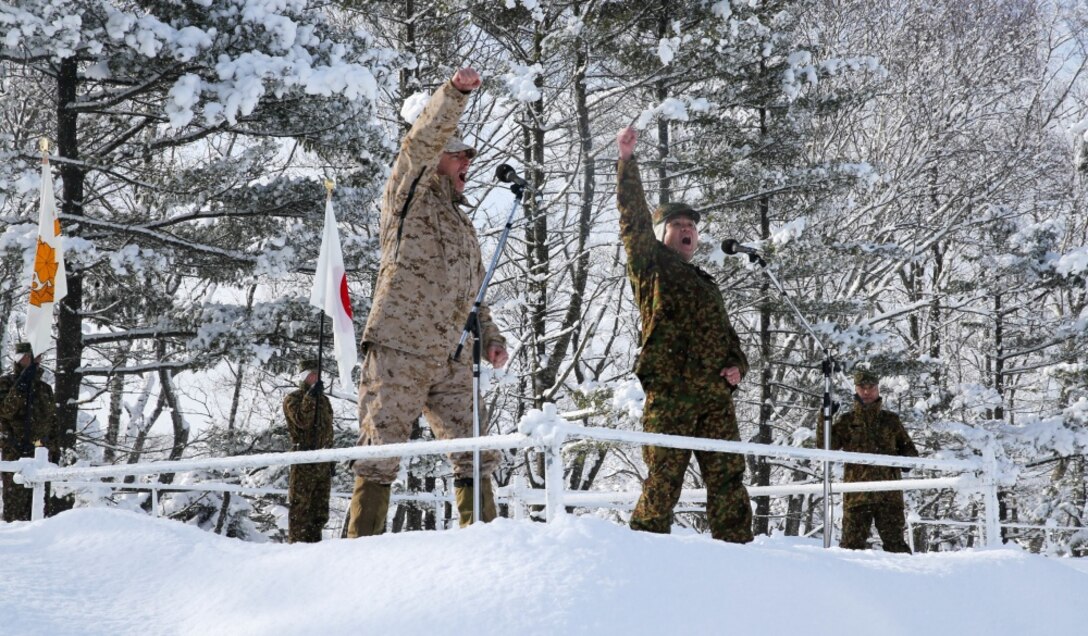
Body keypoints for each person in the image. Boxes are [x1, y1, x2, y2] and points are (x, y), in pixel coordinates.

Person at [347, 67, 509, 537]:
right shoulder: (409, 194)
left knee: (475, 449)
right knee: (381, 450)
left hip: (453, 355)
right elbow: (417, 144)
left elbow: (473, 297)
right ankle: (359, 552)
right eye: (459, 154)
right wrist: (455, 94)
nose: (467, 163)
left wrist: (490, 340)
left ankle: (486, 543)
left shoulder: (464, 226)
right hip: (400, 347)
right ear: (438, 155)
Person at [615, 127, 754, 543]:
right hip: (672, 391)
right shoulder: (651, 266)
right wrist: (626, 162)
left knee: (728, 475)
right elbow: (633, 219)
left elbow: (729, 338)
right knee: (665, 474)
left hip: (714, 397)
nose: (687, 230)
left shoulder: (707, 284)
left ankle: (738, 550)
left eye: (691, 225)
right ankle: (645, 546)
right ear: (661, 235)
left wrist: (737, 367)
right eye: (676, 224)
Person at [816, 369, 919, 553]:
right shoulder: (848, 421)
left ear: (878, 389)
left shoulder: (890, 421)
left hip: (889, 495)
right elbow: (825, 446)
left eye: (871, 387)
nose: (866, 392)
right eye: (862, 388)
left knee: (896, 546)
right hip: (857, 495)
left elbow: (909, 451)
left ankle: (905, 579)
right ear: (856, 389)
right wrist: (824, 418)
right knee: (851, 547)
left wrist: (906, 461)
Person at [0, 342, 59, 522]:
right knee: (15, 510)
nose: (37, 360)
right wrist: (24, 380)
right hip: (15, 454)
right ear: (21, 358)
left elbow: (52, 422)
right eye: (31, 357)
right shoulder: (6, 383)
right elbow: (7, 410)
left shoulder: (44, 389)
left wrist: (54, 450)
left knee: (41, 509)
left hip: (41, 455)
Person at [282, 359, 335, 543]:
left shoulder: (325, 401)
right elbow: (302, 421)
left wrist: (331, 457)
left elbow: (328, 431)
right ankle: (297, 546)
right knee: (300, 509)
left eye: (318, 374)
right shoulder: (293, 399)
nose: (316, 378)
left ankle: (315, 546)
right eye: (312, 374)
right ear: (304, 377)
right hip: (304, 460)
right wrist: (310, 397)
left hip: (323, 462)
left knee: (319, 510)